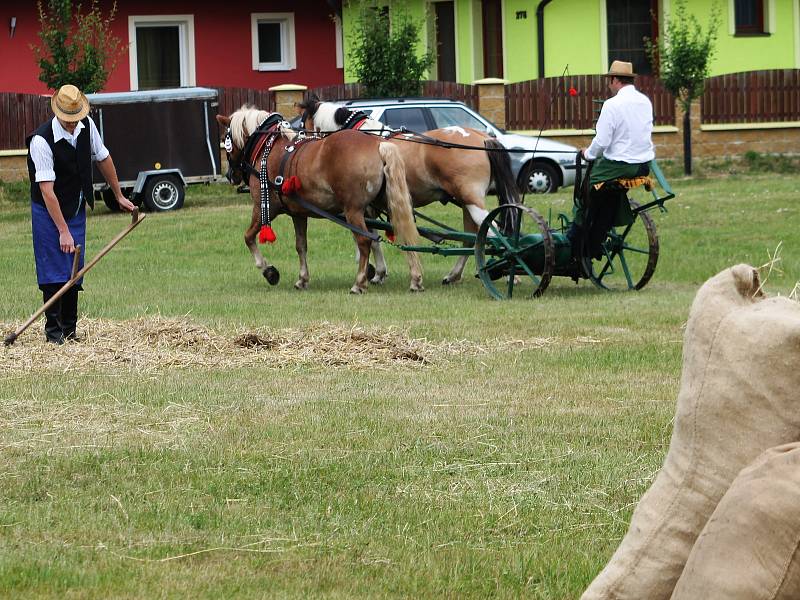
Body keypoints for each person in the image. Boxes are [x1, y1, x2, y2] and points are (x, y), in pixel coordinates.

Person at [26, 84, 135, 344]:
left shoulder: (87, 127)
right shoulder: (41, 141)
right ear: (58, 114)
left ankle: (70, 331)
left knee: (74, 269)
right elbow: (47, 191)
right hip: (48, 210)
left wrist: (118, 195)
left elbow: (103, 157)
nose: (74, 124)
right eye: (69, 120)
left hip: (75, 206)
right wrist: (62, 230)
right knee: (53, 268)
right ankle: (54, 335)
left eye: (77, 119)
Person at [571, 60, 655, 257]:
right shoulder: (645, 101)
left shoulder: (612, 104)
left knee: (584, 192)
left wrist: (587, 154)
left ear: (615, 79)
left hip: (621, 165)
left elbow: (602, 141)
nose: (609, 84)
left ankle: (575, 241)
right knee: (607, 197)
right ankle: (594, 242)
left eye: (610, 80)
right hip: (643, 165)